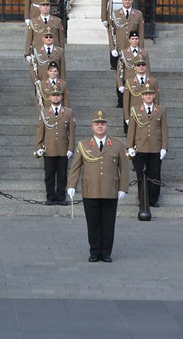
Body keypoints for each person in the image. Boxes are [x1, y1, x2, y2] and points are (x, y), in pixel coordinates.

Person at [67, 110, 129, 263]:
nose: (100, 126)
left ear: (106, 126)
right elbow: (75, 167)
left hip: (110, 189)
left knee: (108, 223)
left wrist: (123, 188)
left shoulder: (117, 144)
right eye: (97, 124)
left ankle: (106, 252)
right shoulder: (83, 145)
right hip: (91, 190)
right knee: (93, 223)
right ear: (92, 126)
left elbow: (124, 168)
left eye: (102, 124)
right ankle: (94, 251)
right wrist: (71, 185)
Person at [126, 85, 169, 208]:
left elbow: (164, 130)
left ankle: (153, 199)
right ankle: (143, 200)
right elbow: (131, 130)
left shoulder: (161, 110)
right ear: (142, 96)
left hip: (156, 148)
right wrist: (129, 146)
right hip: (140, 147)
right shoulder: (135, 109)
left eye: (150, 94)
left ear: (154, 96)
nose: (148, 96)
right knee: (141, 176)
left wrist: (164, 147)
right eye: (146, 94)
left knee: (155, 175)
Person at [34, 85, 75, 205]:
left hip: (63, 149)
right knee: (49, 175)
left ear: (61, 97)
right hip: (49, 149)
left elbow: (71, 132)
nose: (56, 97)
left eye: (58, 95)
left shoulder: (68, 112)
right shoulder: (44, 112)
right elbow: (40, 132)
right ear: (50, 97)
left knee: (62, 175)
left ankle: (61, 197)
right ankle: (50, 197)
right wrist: (38, 147)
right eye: (53, 95)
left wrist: (71, 148)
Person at [121, 55, 158, 135]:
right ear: (134, 67)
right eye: (138, 65)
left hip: (148, 115)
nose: (141, 66)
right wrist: (127, 117)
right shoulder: (129, 82)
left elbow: (157, 100)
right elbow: (126, 101)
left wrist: (156, 115)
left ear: (146, 66)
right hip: (135, 115)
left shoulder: (153, 81)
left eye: (143, 65)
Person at [117, 30, 150, 108]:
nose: (134, 41)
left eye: (136, 38)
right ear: (129, 40)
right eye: (132, 39)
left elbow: (147, 69)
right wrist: (120, 85)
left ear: (138, 40)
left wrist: (148, 83)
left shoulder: (144, 53)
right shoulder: (124, 53)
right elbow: (120, 71)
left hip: (140, 84)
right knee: (127, 106)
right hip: (128, 84)